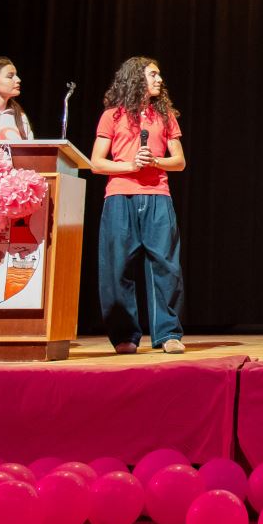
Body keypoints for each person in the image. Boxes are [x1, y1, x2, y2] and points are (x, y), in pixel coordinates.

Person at [89, 56, 187, 354]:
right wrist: (131, 166)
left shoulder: (166, 115)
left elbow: (180, 162)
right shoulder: (112, 116)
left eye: (159, 75)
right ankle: (125, 336)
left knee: (166, 266)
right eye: (153, 74)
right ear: (135, 79)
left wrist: (155, 160)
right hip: (120, 196)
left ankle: (167, 334)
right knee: (117, 268)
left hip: (158, 195)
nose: (159, 80)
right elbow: (96, 163)